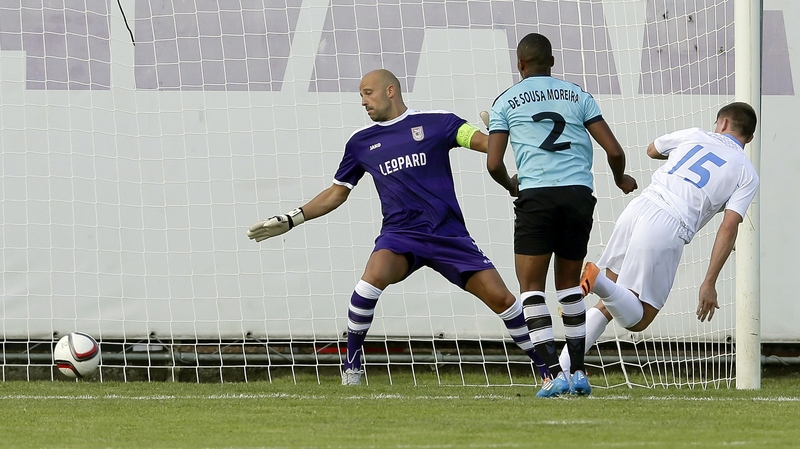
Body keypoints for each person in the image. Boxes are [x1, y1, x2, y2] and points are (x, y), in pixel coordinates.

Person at [248, 68, 550, 386]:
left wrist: (499, 133)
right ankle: (352, 368)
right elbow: (337, 193)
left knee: (504, 301)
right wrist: (292, 218)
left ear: (390, 91)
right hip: (401, 235)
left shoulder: (439, 123)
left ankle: (548, 371)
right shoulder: (360, 142)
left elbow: (486, 145)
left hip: (448, 234)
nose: (363, 101)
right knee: (368, 284)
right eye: (361, 95)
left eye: (368, 93)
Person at [559, 102, 760, 377]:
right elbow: (728, 227)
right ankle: (598, 281)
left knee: (608, 306)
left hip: (638, 208)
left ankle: (563, 372)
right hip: (668, 224)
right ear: (749, 138)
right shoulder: (747, 172)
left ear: (723, 123)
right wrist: (709, 282)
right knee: (639, 319)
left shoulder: (694, 134)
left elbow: (652, 149)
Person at [486, 33, 638, 397]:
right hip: (577, 197)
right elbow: (615, 151)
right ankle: (580, 372)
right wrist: (620, 178)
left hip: (536, 196)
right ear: (552, 62)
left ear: (520, 64)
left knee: (531, 290)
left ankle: (553, 374)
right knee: (569, 286)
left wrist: (511, 185)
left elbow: (493, 164)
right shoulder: (577, 95)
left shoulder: (505, 101)